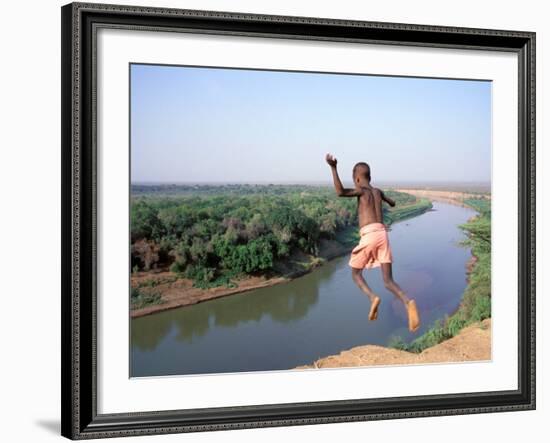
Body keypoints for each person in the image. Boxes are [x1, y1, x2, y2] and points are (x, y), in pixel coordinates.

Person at [325, 153, 420, 332]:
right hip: (383, 234)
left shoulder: (361, 190)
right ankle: (408, 302)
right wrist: (388, 201)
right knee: (388, 281)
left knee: (355, 274)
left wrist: (333, 167)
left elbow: (340, 192)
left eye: (355, 180)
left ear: (358, 178)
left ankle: (372, 298)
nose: (355, 183)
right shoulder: (377, 192)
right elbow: (391, 203)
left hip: (368, 235)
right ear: (371, 177)